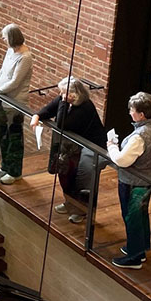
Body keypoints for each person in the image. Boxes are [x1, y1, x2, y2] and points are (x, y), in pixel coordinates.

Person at [29, 77, 106, 222]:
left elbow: (62, 123)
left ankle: (82, 210)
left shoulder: (85, 107)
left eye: (64, 93)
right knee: (66, 175)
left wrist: (63, 103)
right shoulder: (64, 99)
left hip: (90, 149)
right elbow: (49, 109)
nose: (61, 95)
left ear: (74, 94)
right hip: (72, 148)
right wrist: (37, 115)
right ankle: (70, 202)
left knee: (81, 179)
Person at [107, 92, 151, 270]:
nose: (129, 113)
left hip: (133, 182)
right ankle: (139, 248)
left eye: (132, 110)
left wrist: (111, 146)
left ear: (141, 114)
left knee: (132, 217)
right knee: (141, 215)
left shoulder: (139, 137)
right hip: (149, 178)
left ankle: (134, 257)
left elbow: (121, 160)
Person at [0, 23, 34, 185]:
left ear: (12, 37)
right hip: (2, 99)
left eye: (4, 36)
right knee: (2, 137)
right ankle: (6, 167)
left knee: (13, 138)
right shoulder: (10, 52)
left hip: (14, 104)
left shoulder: (25, 57)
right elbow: (2, 73)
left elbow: (15, 82)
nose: (2, 39)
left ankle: (15, 172)